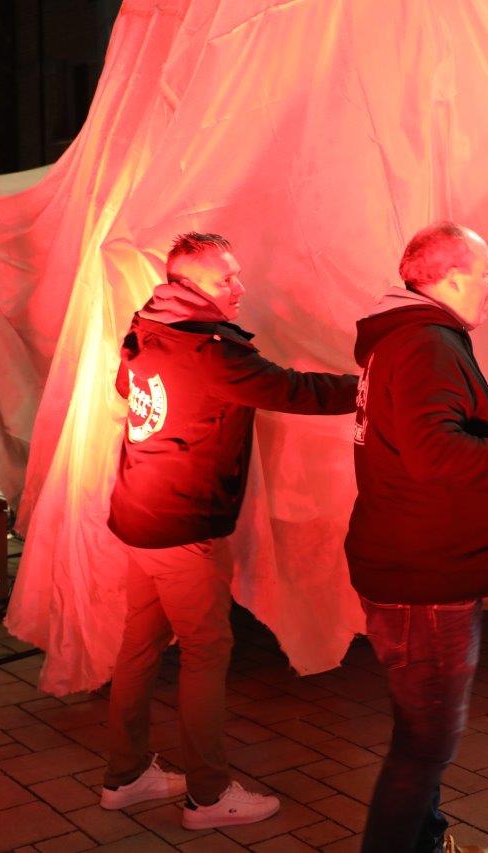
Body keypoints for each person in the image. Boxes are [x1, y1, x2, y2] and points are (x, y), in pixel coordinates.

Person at [101, 232, 360, 829]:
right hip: (181, 525)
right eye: (225, 279)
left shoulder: (147, 327)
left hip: (140, 513)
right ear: (187, 285)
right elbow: (297, 390)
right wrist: (378, 387)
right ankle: (208, 797)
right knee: (206, 651)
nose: (240, 287)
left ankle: (126, 776)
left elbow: (126, 389)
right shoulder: (209, 352)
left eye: (237, 273)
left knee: (139, 647)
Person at [345, 221, 488, 852]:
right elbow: (436, 457)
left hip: (417, 567)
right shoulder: (424, 343)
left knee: (419, 734)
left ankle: (426, 840)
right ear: (449, 278)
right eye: (487, 273)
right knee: (425, 745)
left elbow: (431, 431)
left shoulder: (412, 337)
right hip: (425, 579)